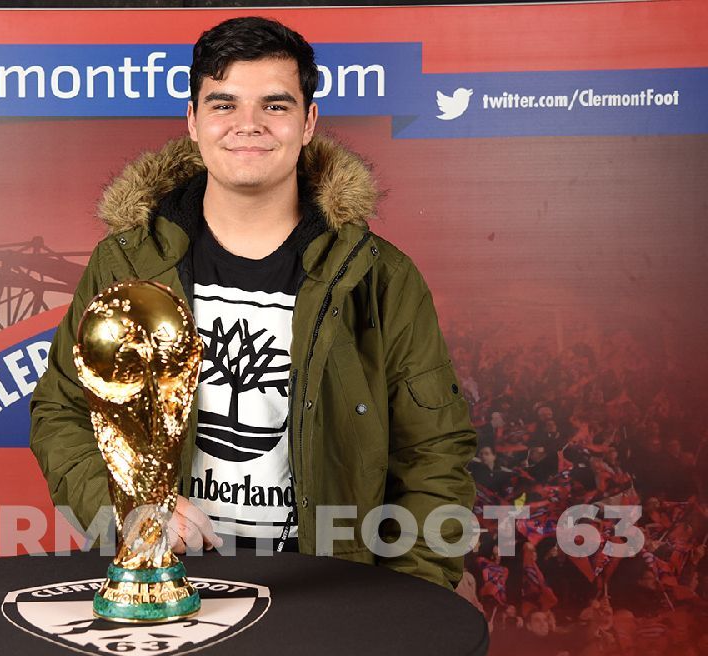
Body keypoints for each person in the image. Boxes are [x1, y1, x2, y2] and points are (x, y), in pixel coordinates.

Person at [29, 16, 476, 590]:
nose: (248, 125)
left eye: (275, 105)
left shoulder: (378, 275)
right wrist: (130, 515)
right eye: (223, 105)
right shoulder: (126, 264)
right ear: (192, 121)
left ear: (309, 121)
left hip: (327, 588)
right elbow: (62, 410)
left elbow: (433, 451)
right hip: (171, 585)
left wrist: (411, 600)